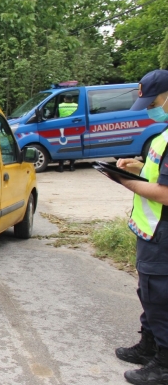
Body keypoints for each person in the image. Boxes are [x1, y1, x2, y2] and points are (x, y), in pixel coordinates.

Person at [114, 69, 168, 385]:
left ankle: (163, 364)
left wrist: (126, 182)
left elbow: (165, 192)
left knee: (159, 296)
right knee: (148, 292)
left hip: (162, 234)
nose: (150, 107)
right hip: (151, 231)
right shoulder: (164, 133)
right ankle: (148, 345)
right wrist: (137, 168)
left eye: (154, 101)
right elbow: (158, 174)